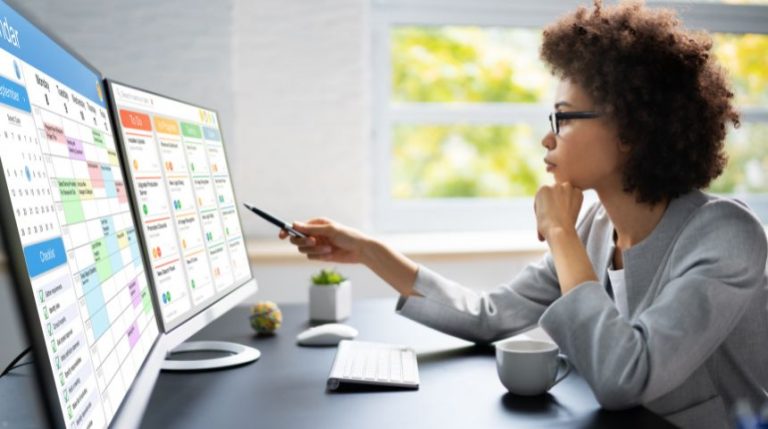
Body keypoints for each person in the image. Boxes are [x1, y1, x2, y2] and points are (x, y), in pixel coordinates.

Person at [279, 1, 768, 427]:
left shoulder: (725, 235)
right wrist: (368, 251)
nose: (548, 138)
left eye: (563, 117)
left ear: (632, 130)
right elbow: (490, 317)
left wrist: (558, 232)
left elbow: (626, 377)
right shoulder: (596, 227)